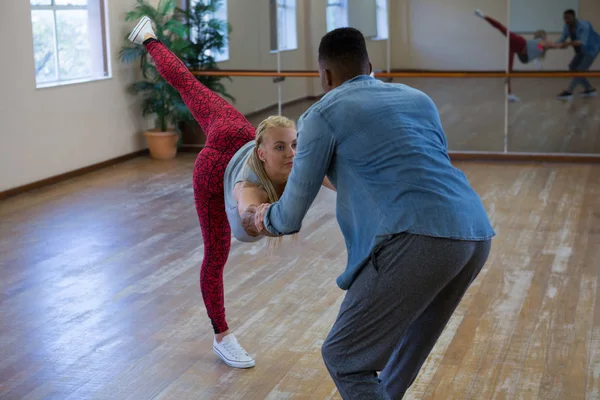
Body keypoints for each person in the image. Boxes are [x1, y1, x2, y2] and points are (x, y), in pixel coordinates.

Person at [252, 27, 496, 399]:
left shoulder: (321, 115)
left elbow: (289, 217)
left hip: (415, 238)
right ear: (371, 65)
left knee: (344, 355)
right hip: (474, 231)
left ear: (325, 76)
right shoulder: (418, 99)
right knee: (403, 354)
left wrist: (260, 217)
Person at [127, 16, 334, 369]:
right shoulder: (246, 184)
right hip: (212, 171)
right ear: (264, 150)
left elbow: (333, 176)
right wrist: (258, 216)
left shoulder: (283, 151)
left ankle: (148, 37)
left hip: (231, 131)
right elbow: (244, 209)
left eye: (294, 145)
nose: (292, 153)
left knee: (188, 85)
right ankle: (222, 336)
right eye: (281, 147)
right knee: (215, 255)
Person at [474, 9, 554, 102]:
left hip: (516, 47)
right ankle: (509, 93)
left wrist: (537, 60)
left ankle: (509, 93)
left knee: (509, 72)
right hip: (518, 44)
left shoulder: (538, 46)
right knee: (509, 71)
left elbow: (537, 50)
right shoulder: (538, 44)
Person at [554, 9, 599, 100]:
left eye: (568, 18)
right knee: (572, 67)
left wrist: (567, 44)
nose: (566, 20)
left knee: (579, 70)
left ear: (574, 17)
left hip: (592, 49)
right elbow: (562, 39)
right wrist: (551, 45)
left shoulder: (584, 25)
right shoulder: (567, 26)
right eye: (564, 18)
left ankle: (569, 92)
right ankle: (589, 89)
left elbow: (581, 42)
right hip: (580, 51)